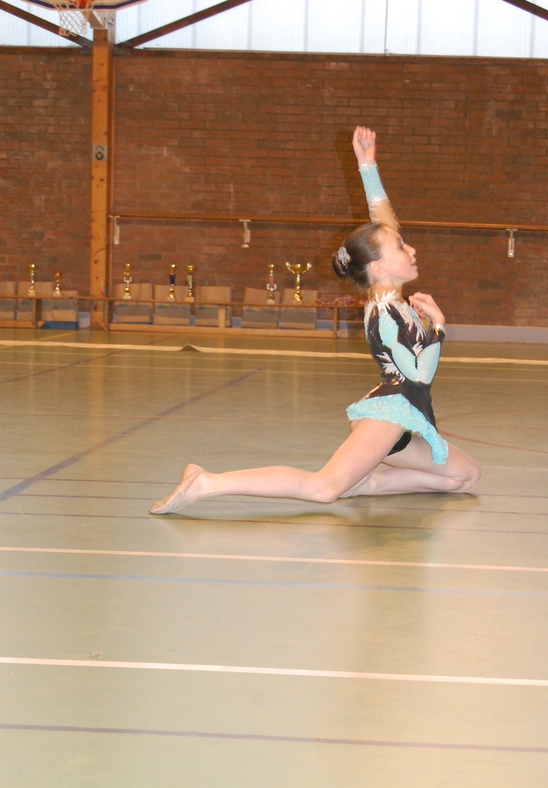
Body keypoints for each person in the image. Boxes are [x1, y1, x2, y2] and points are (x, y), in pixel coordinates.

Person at [149, 126, 480, 515]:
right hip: (388, 417)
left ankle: (364, 482)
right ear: (378, 267)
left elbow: (384, 222)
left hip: (404, 415)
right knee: (322, 488)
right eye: (400, 246)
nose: (411, 248)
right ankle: (207, 482)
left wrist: (367, 165)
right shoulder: (385, 311)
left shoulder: (391, 295)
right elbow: (420, 376)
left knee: (465, 477)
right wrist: (438, 326)